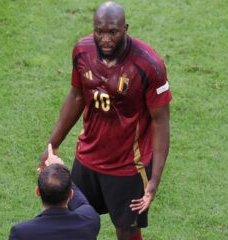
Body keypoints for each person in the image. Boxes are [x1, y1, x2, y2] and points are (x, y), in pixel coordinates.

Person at [39, 2, 172, 240]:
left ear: (125, 29)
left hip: (128, 168)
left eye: (113, 32)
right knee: (73, 224)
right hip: (87, 160)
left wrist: (154, 180)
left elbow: (160, 122)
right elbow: (77, 96)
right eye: (99, 31)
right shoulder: (82, 50)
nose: (105, 38)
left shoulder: (148, 65)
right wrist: (53, 143)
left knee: (126, 232)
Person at [11, 144, 100, 240]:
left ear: (38, 192)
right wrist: (60, 169)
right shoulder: (89, 220)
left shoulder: (22, 232)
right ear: (71, 194)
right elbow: (82, 203)